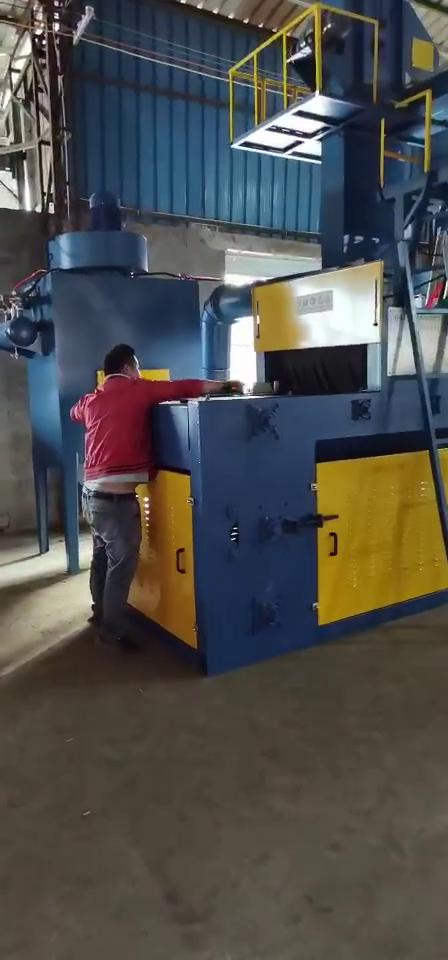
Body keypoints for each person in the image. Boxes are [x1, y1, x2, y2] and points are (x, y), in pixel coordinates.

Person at [71, 343, 240, 650]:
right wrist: (224, 385)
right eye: (137, 366)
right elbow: (184, 386)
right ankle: (111, 634)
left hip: (90, 496)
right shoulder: (139, 390)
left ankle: (100, 613)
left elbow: (75, 412)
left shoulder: (91, 400)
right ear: (127, 369)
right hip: (116, 503)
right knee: (120, 568)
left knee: (101, 556)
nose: (139, 372)